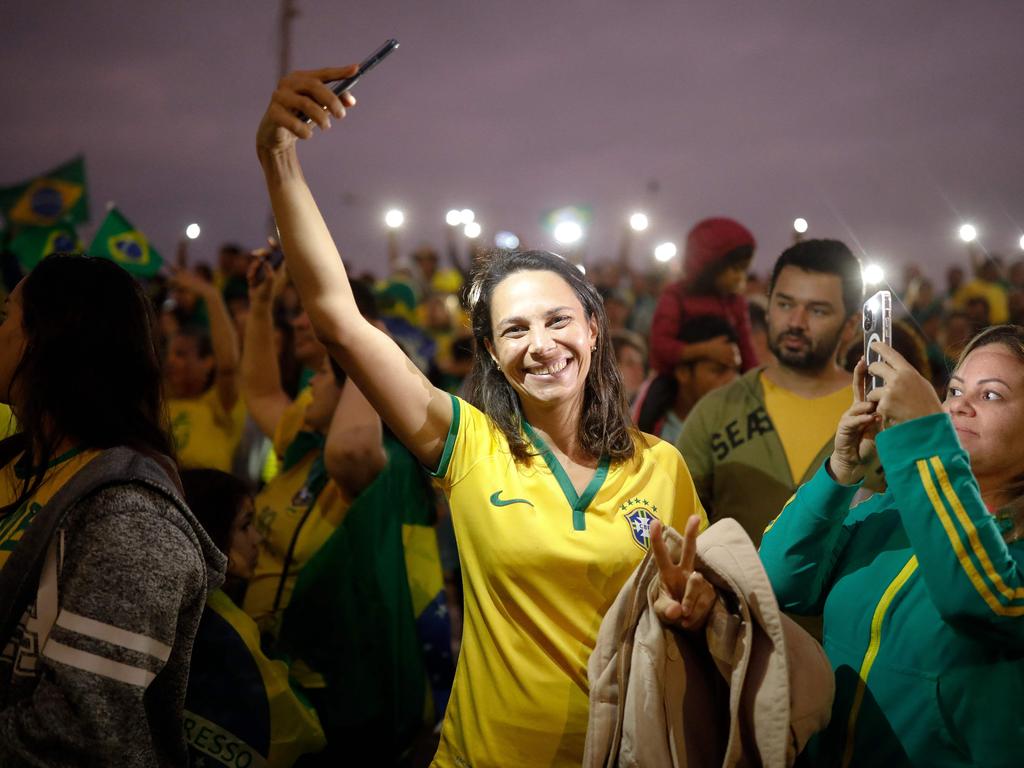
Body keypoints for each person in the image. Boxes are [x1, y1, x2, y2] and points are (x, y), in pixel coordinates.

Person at [255, 66, 712, 768]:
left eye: (558, 320)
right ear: (494, 356)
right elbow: (340, 321)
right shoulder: (468, 445)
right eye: (514, 330)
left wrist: (698, 610)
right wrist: (279, 159)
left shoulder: (663, 466)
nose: (541, 345)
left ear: (594, 329)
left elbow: (697, 612)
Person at [759, 326, 1024, 766]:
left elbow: (983, 601)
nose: (960, 404)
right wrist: (842, 470)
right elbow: (778, 583)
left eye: (991, 396)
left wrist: (924, 437)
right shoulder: (891, 510)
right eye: (954, 390)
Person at [0, 254, 225, 765]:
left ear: (41, 341)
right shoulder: (15, 463)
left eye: (4, 318)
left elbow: (80, 736)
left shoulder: (131, 517)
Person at [676, 238, 862, 546]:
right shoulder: (718, 410)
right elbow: (678, 524)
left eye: (817, 310)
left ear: (850, 326)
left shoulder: (879, 414)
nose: (796, 322)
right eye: (785, 304)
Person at [180, 468, 326, 767]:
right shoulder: (225, 629)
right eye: (245, 526)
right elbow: (290, 727)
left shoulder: (191, 604)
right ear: (212, 533)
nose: (257, 538)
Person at [648, 216, 759, 376]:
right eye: (735, 269)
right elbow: (661, 346)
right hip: (675, 383)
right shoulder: (677, 295)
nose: (740, 277)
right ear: (710, 266)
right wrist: (704, 351)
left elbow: (746, 350)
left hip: (725, 382)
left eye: (744, 270)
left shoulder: (736, 302)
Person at [165, 268, 245, 471]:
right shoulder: (160, 404)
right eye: (171, 354)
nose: (171, 361)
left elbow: (228, 366)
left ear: (208, 362)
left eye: (182, 354)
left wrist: (211, 295)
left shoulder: (218, 403)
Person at [634, 314, 741, 442]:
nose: (733, 380)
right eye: (718, 370)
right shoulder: (646, 431)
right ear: (683, 373)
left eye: (736, 370)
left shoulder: (744, 429)